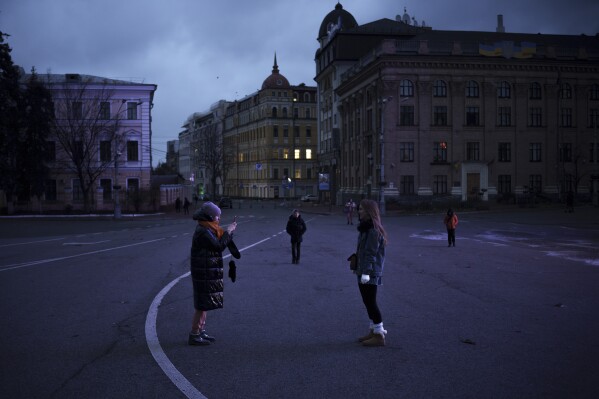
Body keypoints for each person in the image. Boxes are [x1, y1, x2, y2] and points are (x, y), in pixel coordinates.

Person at [188, 201, 237, 346]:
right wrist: (228, 231)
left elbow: (217, 242)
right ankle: (194, 334)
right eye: (216, 217)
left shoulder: (208, 228)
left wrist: (228, 233)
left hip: (206, 270)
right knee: (201, 305)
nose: (218, 219)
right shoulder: (203, 231)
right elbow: (218, 245)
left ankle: (200, 330)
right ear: (209, 217)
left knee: (205, 303)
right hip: (202, 271)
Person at [354, 199, 388, 347]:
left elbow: (371, 253)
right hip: (363, 270)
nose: (358, 211)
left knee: (371, 302)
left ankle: (379, 335)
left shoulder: (373, 230)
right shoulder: (365, 228)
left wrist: (366, 273)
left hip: (370, 272)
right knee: (367, 302)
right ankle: (373, 330)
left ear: (369, 212)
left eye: (361, 209)